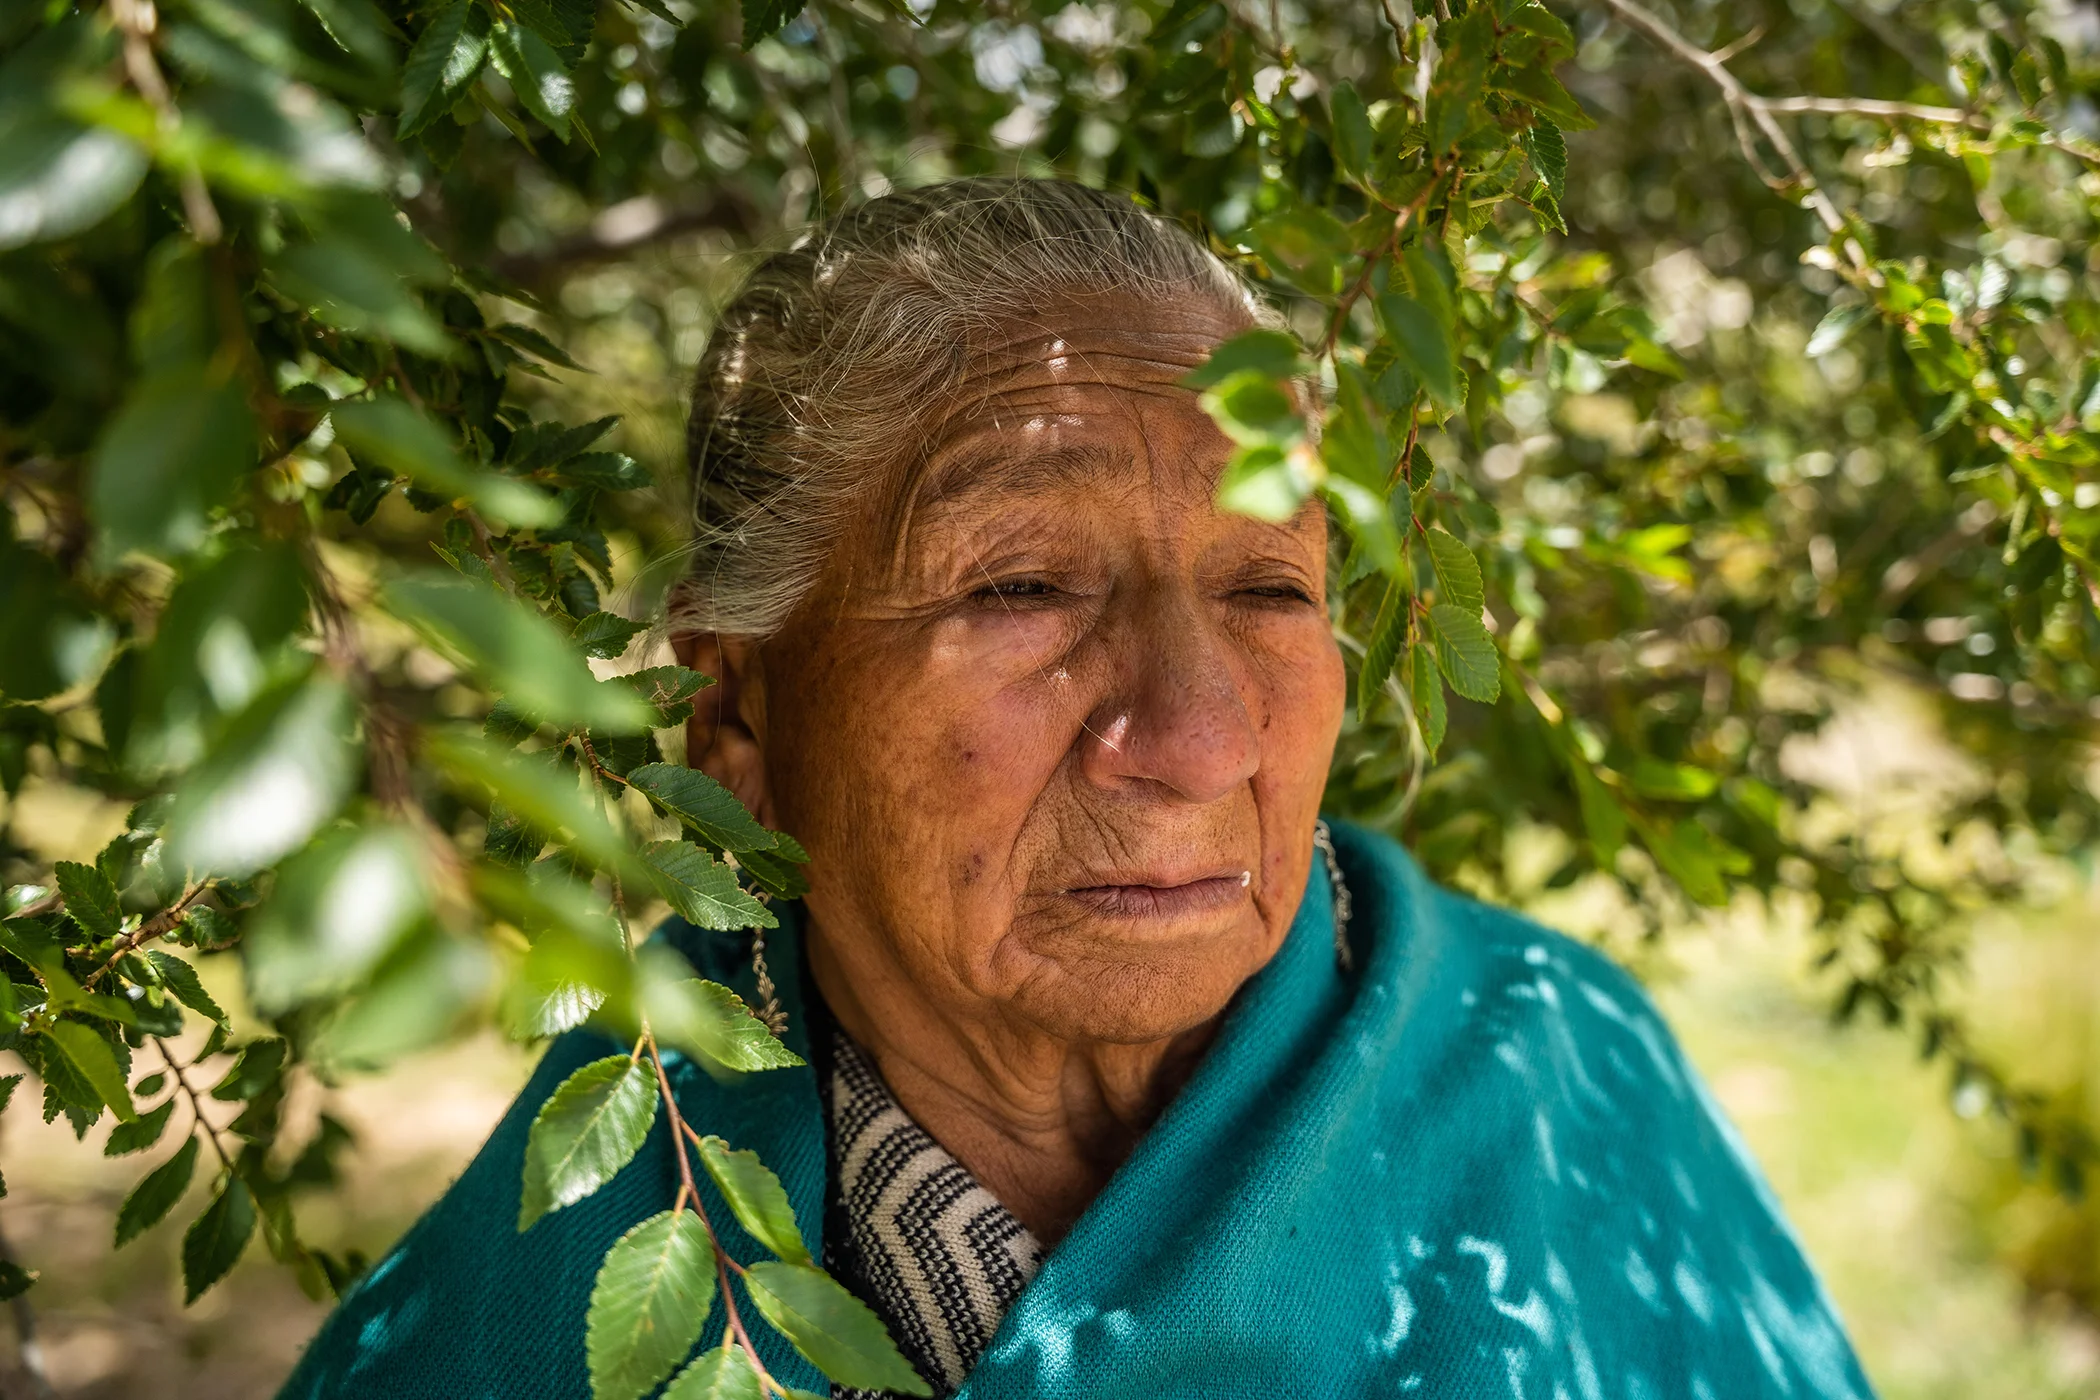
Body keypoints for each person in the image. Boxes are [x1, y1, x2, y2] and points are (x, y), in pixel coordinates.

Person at [280, 178, 1874, 1399]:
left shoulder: (1562, 1073)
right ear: (740, 713)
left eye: (1268, 590)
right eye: (1024, 585)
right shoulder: (556, 1274)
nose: (1197, 738)